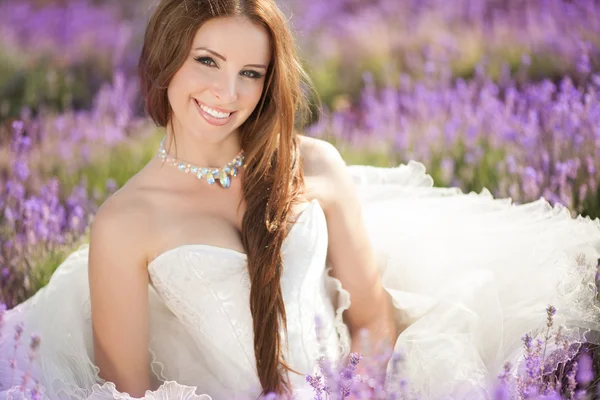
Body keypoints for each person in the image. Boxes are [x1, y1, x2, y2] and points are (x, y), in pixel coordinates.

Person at [1, 0, 600, 399]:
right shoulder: (126, 223)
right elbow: (127, 394)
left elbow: (372, 317)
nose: (226, 92)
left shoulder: (313, 165)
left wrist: (357, 388)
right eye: (207, 60)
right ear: (165, 60)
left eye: (251, 73)